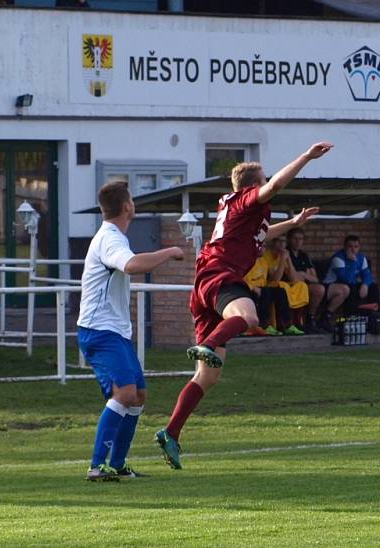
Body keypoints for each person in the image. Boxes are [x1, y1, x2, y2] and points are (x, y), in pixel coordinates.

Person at [155, 141, 331, 470]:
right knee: (248, 314)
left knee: (207, 377)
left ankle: (171, 432)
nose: (267, 185)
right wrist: (306, 156)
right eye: (262, 181)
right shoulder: (247, 199)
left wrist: (293, 224)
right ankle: (208, 343)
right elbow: (277, 184)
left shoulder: (238, 212)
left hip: (207, 281)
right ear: (253, 185)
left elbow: (260, 236)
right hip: (220, 275)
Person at [77, 180, 184, 481]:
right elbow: (132, 265)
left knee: (138, 394)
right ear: (126, 206)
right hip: (99, 330)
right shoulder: (110, 238)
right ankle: (97, 465)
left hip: (114, 331)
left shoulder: (113, 236)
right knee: (124, 393)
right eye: (132, 199)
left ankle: (119, 464)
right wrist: (170, 251)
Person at [321, 235, 380, 329]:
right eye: (350, 246)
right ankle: (351, 318)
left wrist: (365, 285)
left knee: (373, 286)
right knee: (351, 288)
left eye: (356, 247)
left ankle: (374, 316)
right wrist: (352, 261)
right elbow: (347, 279)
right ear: (345, 247)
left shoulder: (361, 257)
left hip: (349, 285)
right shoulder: (338, 258)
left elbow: (367, 274)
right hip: (332, 286)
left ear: (359, 247)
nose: (353, 250)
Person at [261, 236, 307, 335]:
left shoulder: (285, 255)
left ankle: (292, 324)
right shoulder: (266, 256)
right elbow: (275, 278)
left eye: (284, 242)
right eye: (279, 241)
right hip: (266, 285)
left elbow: (294, 279)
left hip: (279, 286)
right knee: (281, 286)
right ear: (273, 242)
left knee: (301, 286)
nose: (282, 244)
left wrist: (288, 259)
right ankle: (272, 325)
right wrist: (282, 259)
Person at [243, 249, 293, 336]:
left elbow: (267, 280)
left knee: (280, 291)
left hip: (262, 289)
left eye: (264, 246)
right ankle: (264, 326)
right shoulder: (245, 261)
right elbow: (239, 278)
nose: (263, 249)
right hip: (247, 289)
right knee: (265, 292)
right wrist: (253, 287)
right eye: (261, 246)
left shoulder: (263, 261)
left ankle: (286, 325)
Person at [287, 227, 326, 333]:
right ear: (289, 239)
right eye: (295, 238)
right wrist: (303, 275)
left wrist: (303, 274)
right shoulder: (286, 253)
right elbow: (293, 277)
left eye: (301, 239)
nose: (298, 241)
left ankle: (310, 318)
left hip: (304, 286)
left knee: (319, 289)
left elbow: (315, 279)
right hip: (289, 285)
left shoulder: (304, 255)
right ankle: (295, 322)